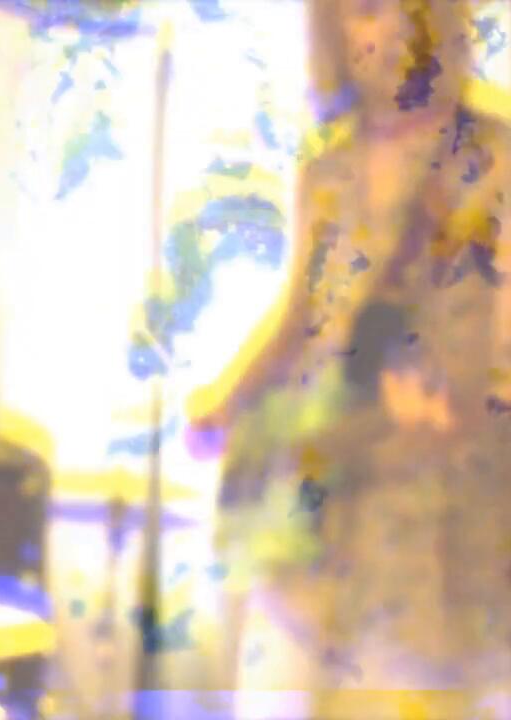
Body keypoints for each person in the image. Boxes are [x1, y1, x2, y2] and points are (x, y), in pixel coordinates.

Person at [196, 0, 511, 711]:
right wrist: (227, 401)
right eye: (368, 9)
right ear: (334, 26)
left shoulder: (494, 158)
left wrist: (472, 406)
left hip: (444, 525)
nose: (394, 28)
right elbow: (299, 320)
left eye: (412, 7)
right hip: (325, 499)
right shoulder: (327, 170)